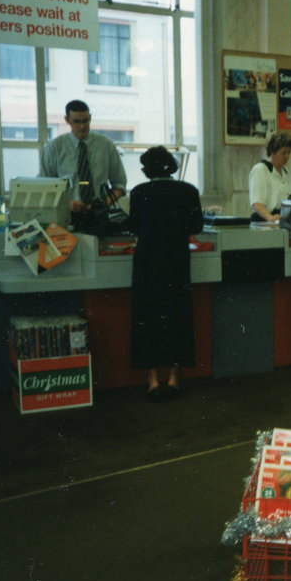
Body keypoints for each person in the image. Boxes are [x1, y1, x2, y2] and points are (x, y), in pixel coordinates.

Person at [125, 146, 204, 401]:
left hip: (147, 261)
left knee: (147, 317)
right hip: (177, 261)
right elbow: (197, 226)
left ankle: (152, 380)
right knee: (177, 316)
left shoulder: (138, 192)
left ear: (147, 170)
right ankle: (173, 378)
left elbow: (133, 226)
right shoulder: (188, 190)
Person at [39, 99, 127, 234]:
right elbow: (45, 187)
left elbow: (119, 186)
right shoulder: (54, 148)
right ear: (67, 120)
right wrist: (67, 204)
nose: (82, 126)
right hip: (66, 217)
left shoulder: (106, 146)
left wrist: (103, 204)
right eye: (77, 122)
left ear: (90, 118)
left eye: (85, 121)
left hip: (100, 216)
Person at [249, 131, 291, 222]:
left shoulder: (286, 172)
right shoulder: (260, 170)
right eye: (284, 153)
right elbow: (257, 203)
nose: (287, 156)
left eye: (289, 153)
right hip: (264, 220)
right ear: (272, 152)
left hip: (281, 219)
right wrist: (269, 217)